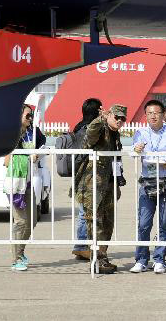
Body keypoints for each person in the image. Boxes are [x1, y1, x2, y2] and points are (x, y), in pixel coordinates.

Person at [130, 99, 166, 274]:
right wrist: (135, 150)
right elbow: (133, 153)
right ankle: (141, 259)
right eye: (149, 113)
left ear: (164, 115)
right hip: (147, 181)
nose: (153, 116)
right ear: (145, 116)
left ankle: (159, 259)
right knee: (144, 223)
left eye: (156, 113)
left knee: (163, 222)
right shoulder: (140, 133)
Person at [73, 104, 126, 274]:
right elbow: (90, 133)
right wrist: (100, 118)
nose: (119, 121)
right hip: (92, 185)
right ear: (108, 115)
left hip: (109, 184)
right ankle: (95, 260)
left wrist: (117, 183)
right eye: (116, 117)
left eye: (122, 118)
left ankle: (102, 257)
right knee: (94, 223)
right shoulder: (100, 128)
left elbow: (116, 161)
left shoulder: (115, 134)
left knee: (107, 223)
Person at [4, 105, 45, 271]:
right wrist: (26, 156)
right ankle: (16, 259)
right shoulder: (10, 133)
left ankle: (20, 251)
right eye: (27, 116)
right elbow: (6, 161)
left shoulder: (33, 132)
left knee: (32, 219)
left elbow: (42, 145)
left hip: (29, 181)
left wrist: (37, 154)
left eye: (32, 116)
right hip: (15, 182)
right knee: (20, 221)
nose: (30, 118)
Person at [71, 98, 102, 261]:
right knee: (86, 211)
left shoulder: (78, 127)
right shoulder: (89, 129)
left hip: (82, 175)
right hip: (87, 176)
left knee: (86, 210)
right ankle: (81, 245)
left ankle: (84, 245)